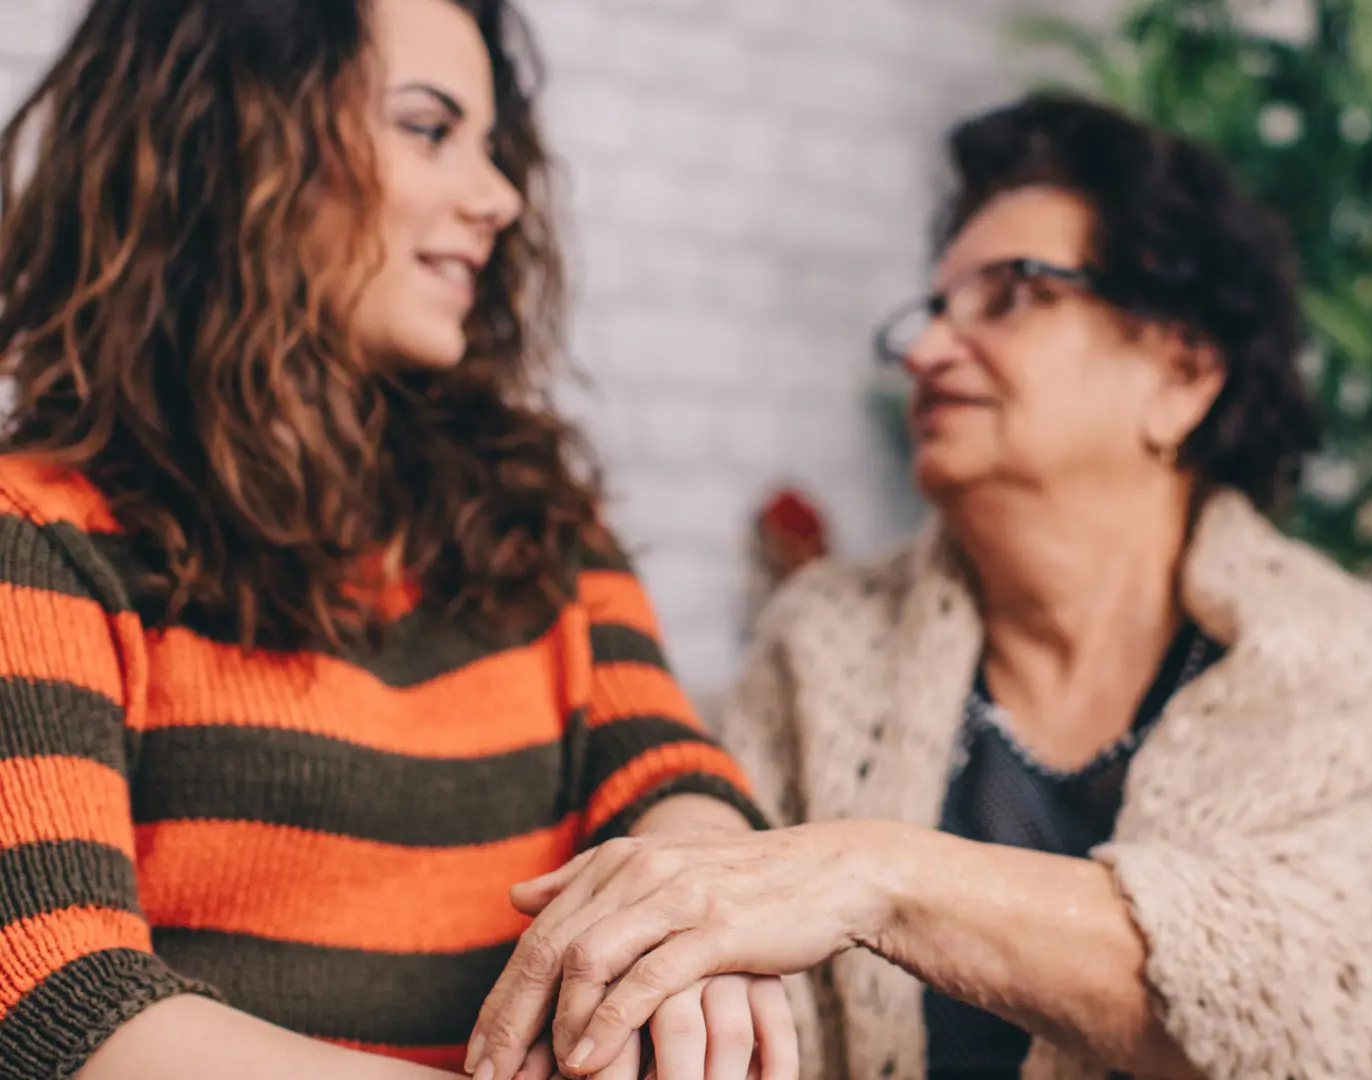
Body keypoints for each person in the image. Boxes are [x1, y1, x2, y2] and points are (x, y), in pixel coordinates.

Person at [470, 92, 1372, 1080]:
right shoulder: (824, 640)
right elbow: (734, 981)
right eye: (933, 307)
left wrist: (874, 875)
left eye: (1013, 294)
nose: (922, 348)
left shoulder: (1362, 667)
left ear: (1183, 371)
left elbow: (1315, 1014)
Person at [0, 2, 797, 1079]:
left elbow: (663, 769)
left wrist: (702, 905)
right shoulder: (41, 533)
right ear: (235, 141)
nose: (498, 197)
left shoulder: (535, 518)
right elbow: (58, 994)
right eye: (429, 129)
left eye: (491, 144)